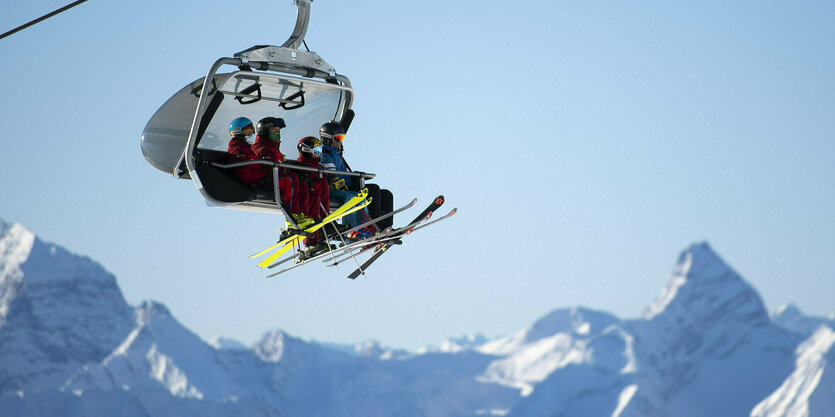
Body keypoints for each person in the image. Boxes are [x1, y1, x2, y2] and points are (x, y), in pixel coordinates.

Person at [318, 121, 394, 235]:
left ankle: (387, 227)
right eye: (338, 138)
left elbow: (344, 172)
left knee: (386, 195)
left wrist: (356, 176)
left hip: (347, 186)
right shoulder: (325, 155)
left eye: (342, 138)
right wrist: (353, 178)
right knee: (373, 190)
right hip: (339, 189)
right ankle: (375, 228)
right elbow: (333, 176)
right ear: (328, 139)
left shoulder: (336, 154)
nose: (340, 141)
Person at [251, 116, 312, 227]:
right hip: (266, 180)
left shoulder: (273, 147)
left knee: (302, 181)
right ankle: (291, 217)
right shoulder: (261, 148)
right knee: (291, 179)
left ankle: (303, 216)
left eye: (278, 130)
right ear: (265, 131)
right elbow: (266, 167)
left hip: (276, 178)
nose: (277, 132)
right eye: (274, 129)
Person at [296, 136, 330, 251]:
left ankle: (324, 226)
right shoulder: (303, 164)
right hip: (309, 196)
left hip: (318, 197)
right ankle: (310, 241)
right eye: (317, 151)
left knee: (321, 192)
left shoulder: (316, 165)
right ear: (307, 151)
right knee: (313, 204)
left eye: (320, 150)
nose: (319, 154)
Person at [226, 117, 267, 186]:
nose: (251, 131)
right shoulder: (238, 150)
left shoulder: (246, 148)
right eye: (248, 129)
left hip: (258, 181)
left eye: (251, 128)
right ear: (238, 131)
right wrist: (266, 173)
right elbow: (245, 176)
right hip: (250, 184)